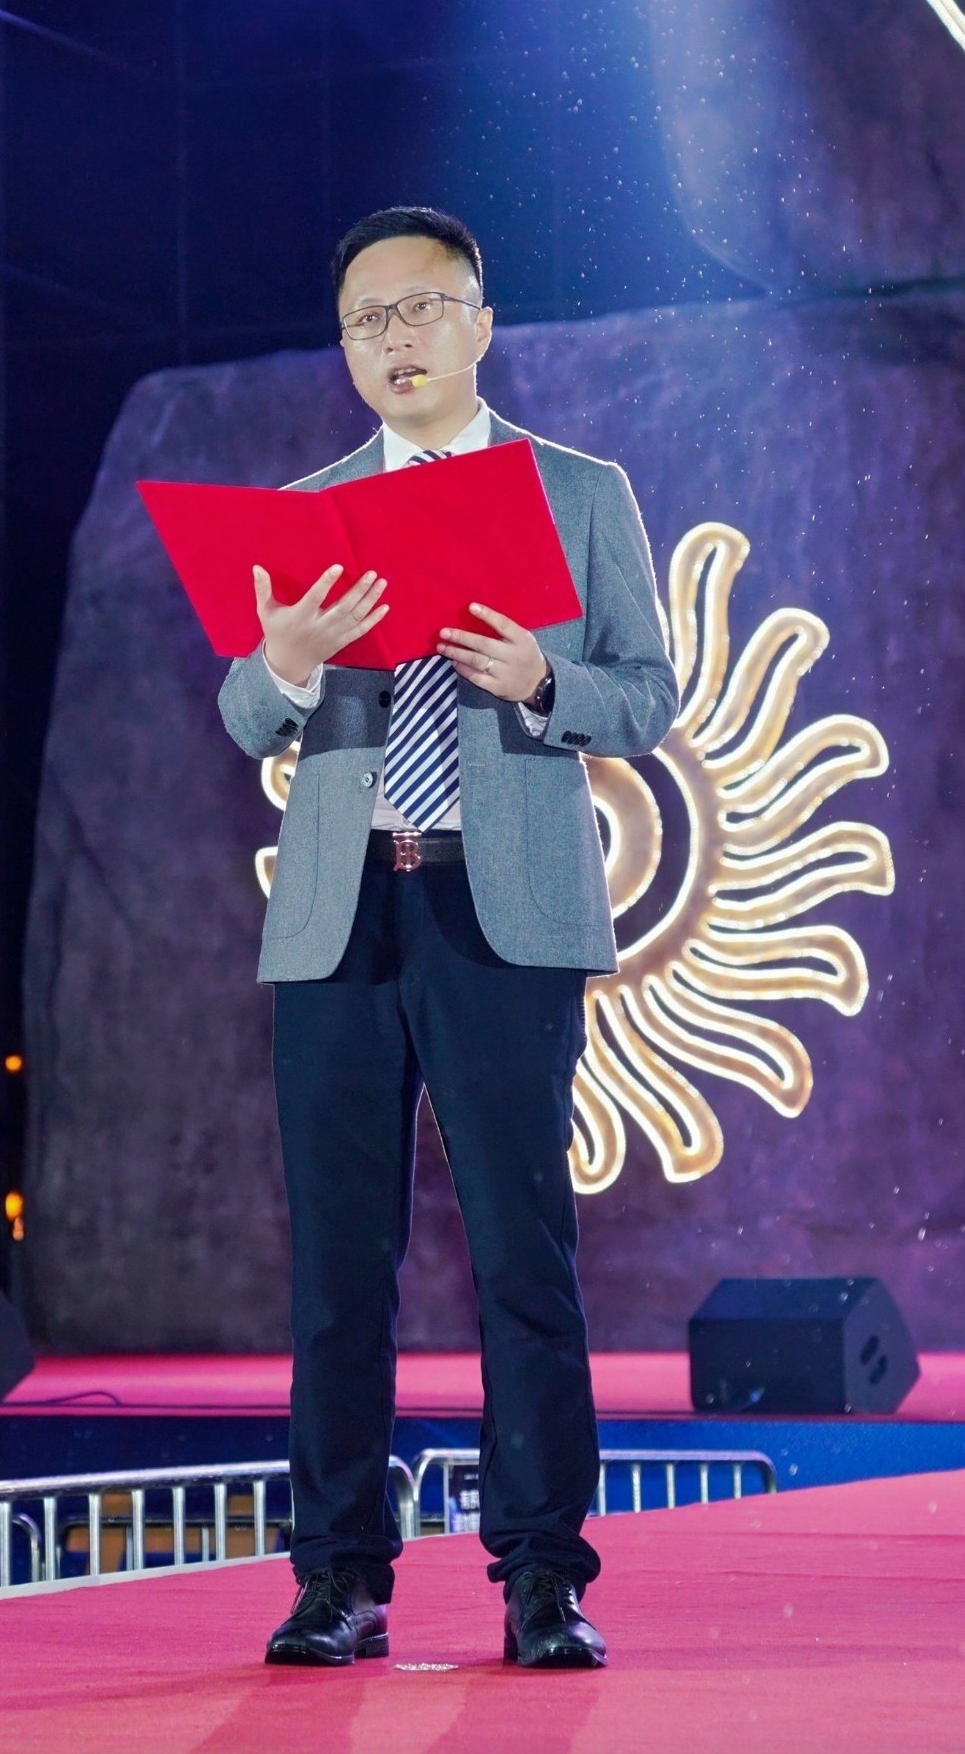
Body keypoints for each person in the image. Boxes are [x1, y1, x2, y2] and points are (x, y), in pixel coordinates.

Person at [217, 205, 675, 1670]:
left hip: (504, 903)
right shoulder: (305, 511)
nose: (394, 339)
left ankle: (543, 1578)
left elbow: (648, 695)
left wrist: (544, 678)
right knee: (337, 1275)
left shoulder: (579, 491)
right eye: (367, 320)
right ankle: (338, 1579)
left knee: (523, 1261)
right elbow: (242, 714)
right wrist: (285, 666)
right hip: (341, 911)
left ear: (480, 322)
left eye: (419, 309)